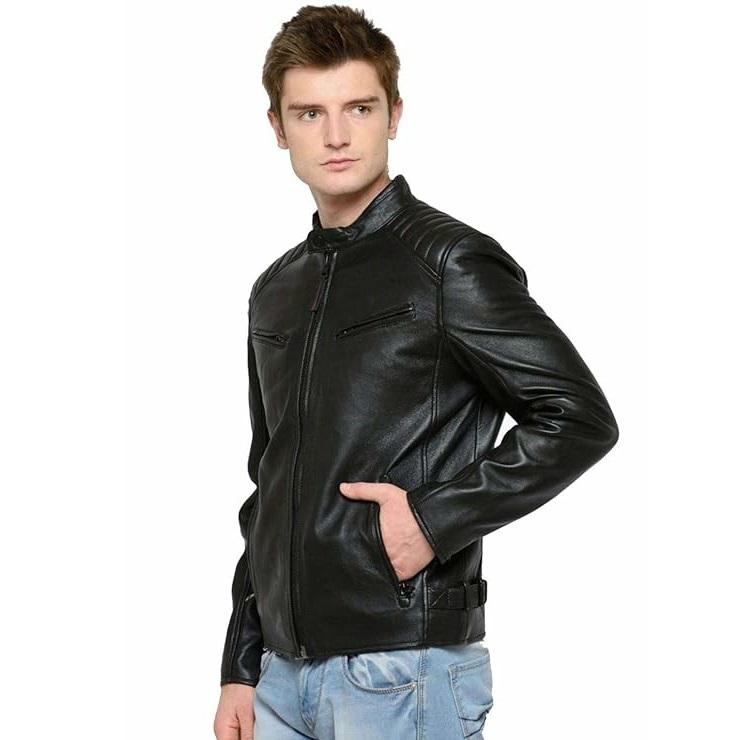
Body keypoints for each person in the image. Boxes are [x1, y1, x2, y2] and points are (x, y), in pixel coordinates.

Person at [213, 5, 619, 739]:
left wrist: (433, 520)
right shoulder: (276, 288)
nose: (336, 135)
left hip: (402, 672)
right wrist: (239, 666)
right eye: (310, 113)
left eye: (359, 108)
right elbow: (267, 483)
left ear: (394, 115)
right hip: (279, 680)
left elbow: (578, 417)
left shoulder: (447, 263)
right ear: (278, 127)